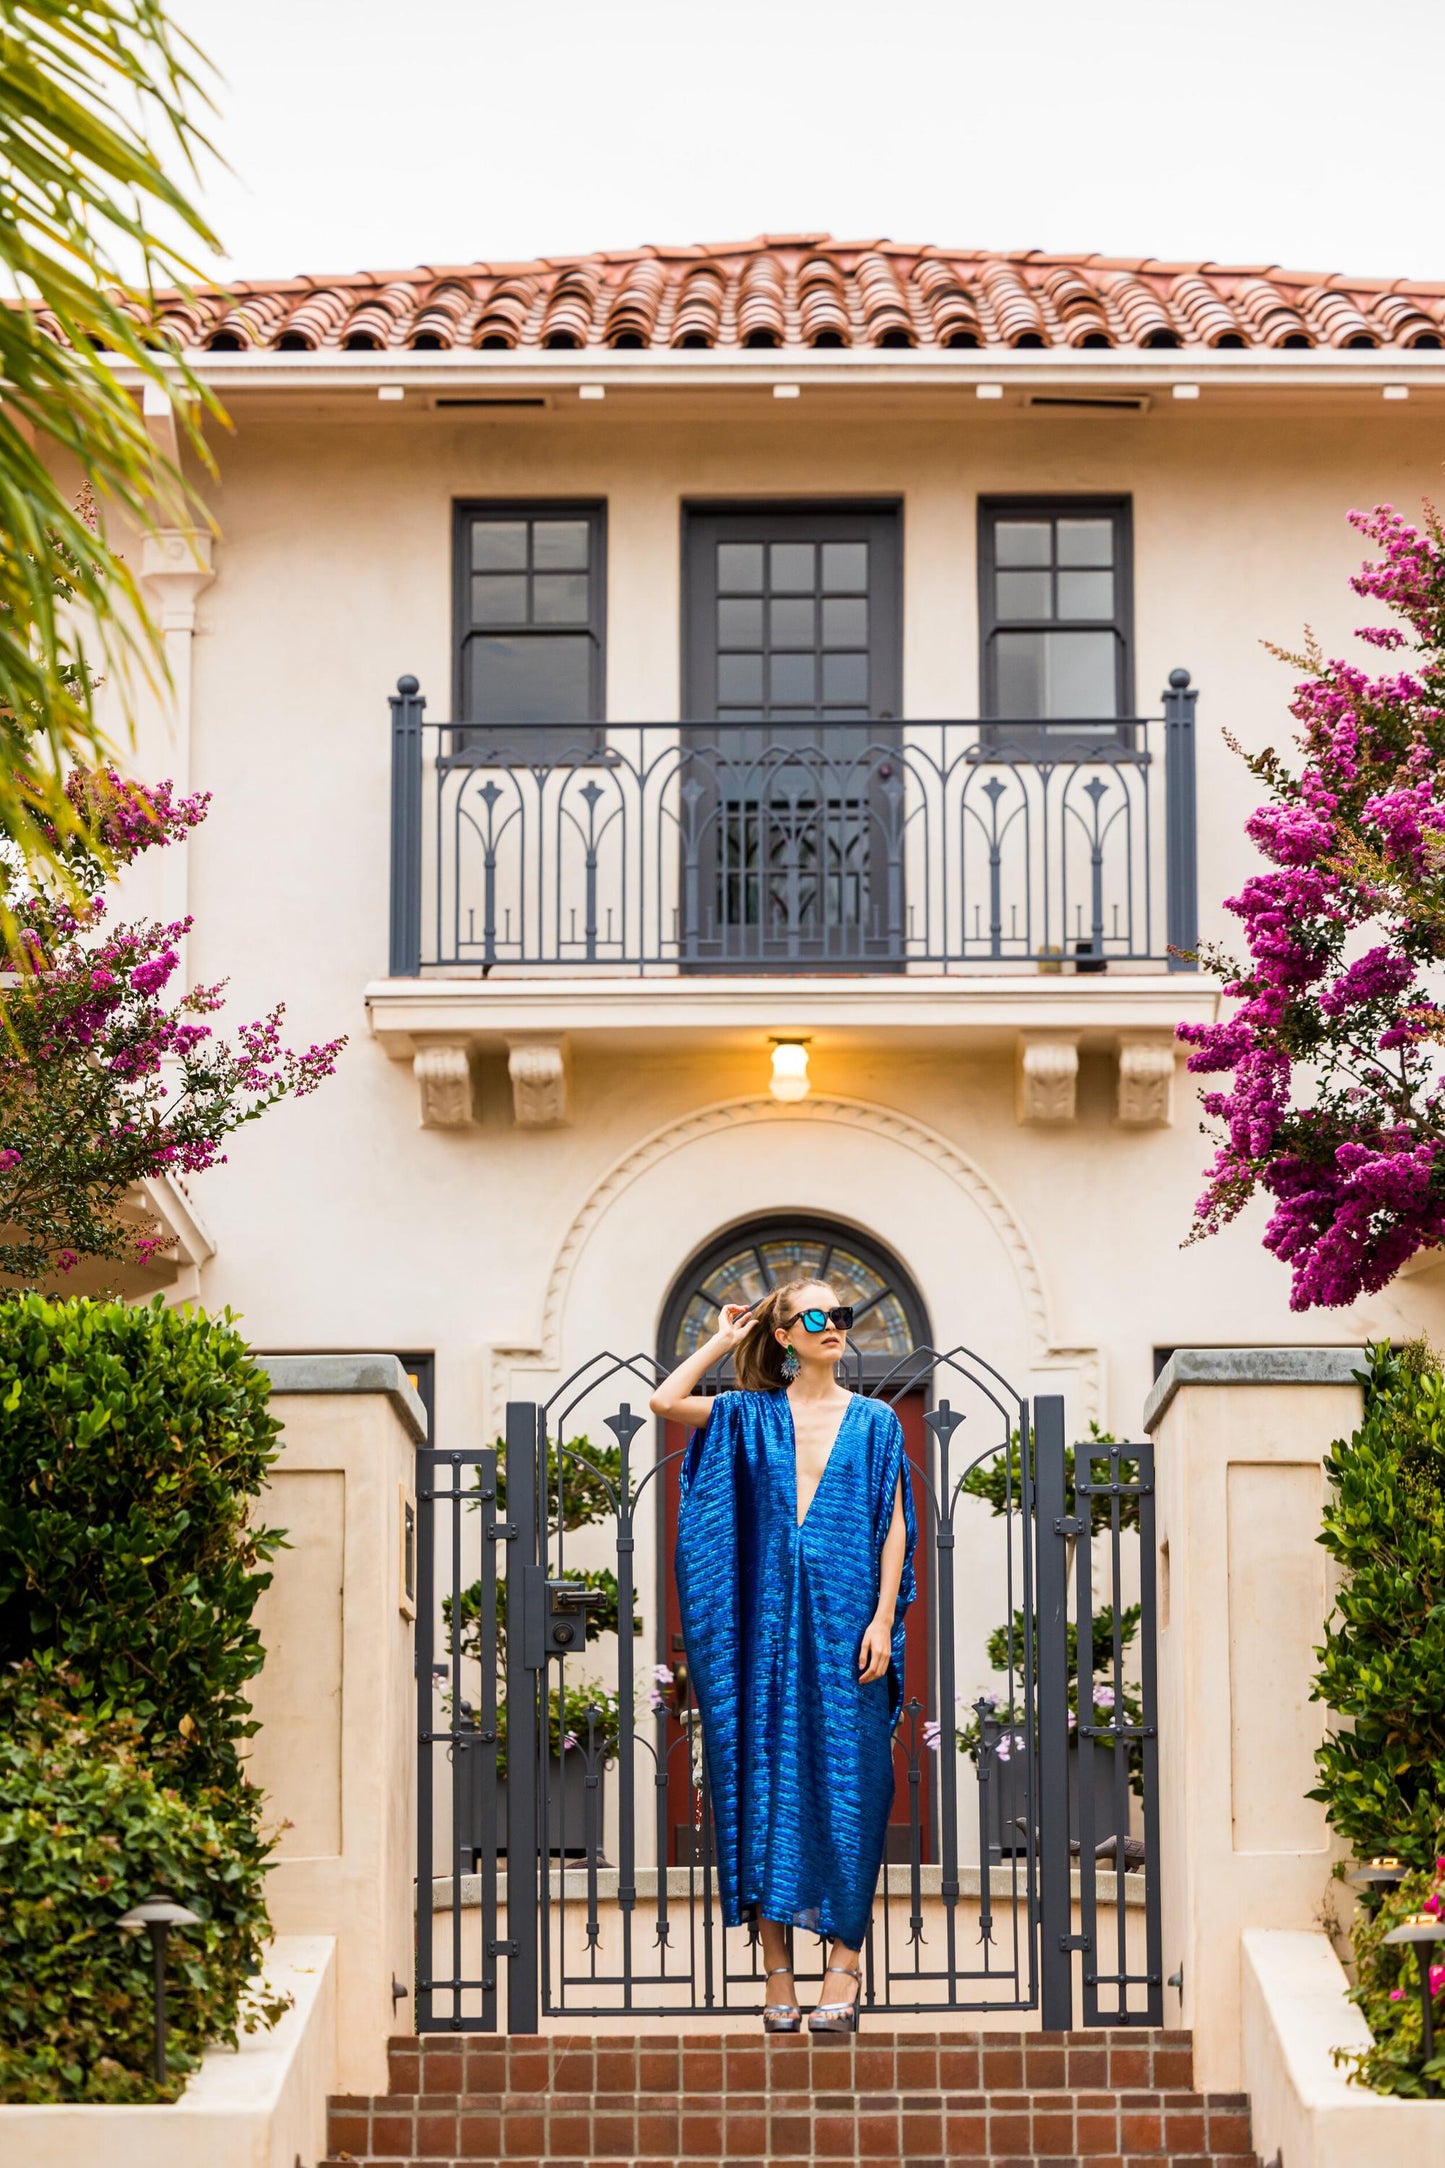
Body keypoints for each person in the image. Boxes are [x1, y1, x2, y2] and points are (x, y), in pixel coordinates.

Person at [650, 1277, 916, 2034]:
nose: (834, 1324)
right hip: (761, 1634)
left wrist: (877, 1617)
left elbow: (892, 1525)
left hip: (846, 1628)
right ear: (784, 1335)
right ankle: (777, 1975)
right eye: (815, 1315)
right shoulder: (746, 1416)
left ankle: (844, 1963)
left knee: (852, 1786)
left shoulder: (875, 1422)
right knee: (760, 1788)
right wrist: (723, 1340)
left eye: (842, 1314)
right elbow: (665, 1404)